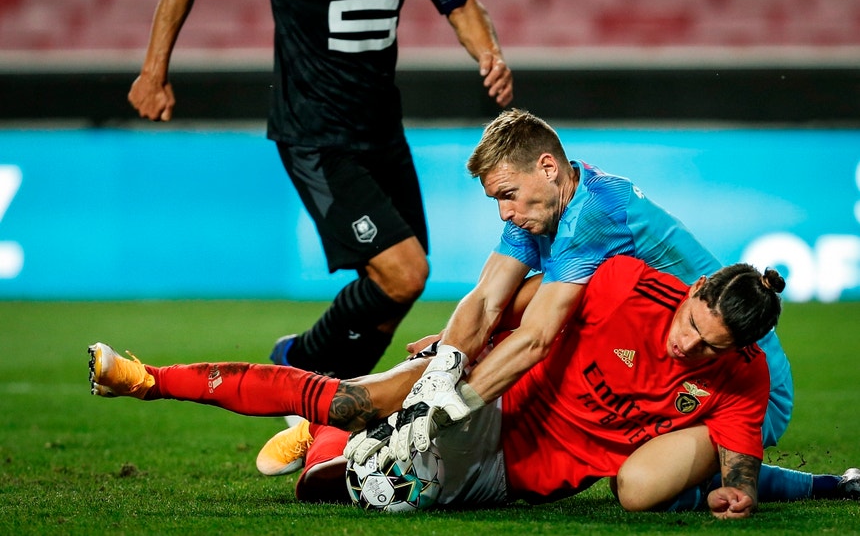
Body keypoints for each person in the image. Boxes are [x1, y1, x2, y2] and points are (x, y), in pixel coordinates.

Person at [91, 256, 857, 519]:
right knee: (356, 402)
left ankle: (323, 444)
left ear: (740, 350)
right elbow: (527, 303)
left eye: (709, 344)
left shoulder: (741, 377)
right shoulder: (627, 284)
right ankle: (150, 379)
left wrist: (743, 494)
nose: (687, 342)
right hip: (493, 397)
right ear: (692, 290)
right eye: (691, 321)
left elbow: (738, 464)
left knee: (350, 486)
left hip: (517, 479)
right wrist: (457, 346)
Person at [387, 108, 830, 507]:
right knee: (641, 477)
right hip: (676, 359)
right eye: (497, 198)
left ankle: (811, 486)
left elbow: (537, 336)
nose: (504, 212)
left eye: (507, 194)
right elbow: (487, 299)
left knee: (644, 487)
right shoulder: (545, 201)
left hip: (740, 380)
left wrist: (447, 405)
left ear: (547, 168)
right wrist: (450, 352)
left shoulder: (592, 218)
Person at [127, 0, 514, 378]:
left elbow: (460, 3)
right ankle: (299, 360)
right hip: (317, 136)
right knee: (405, 274)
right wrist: (153, 72)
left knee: (396, 292)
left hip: (382, 133)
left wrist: (488, 53)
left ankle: (338, 397)